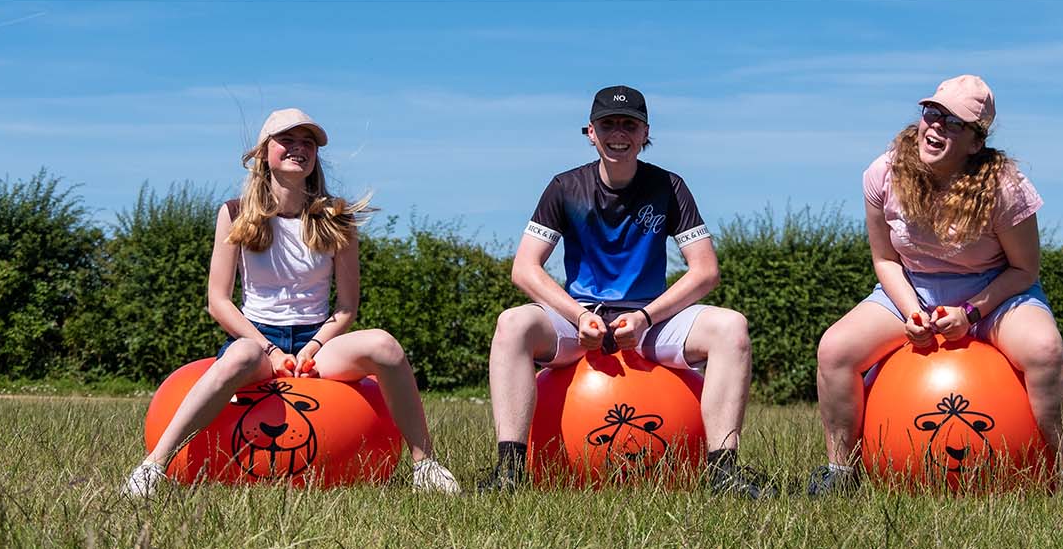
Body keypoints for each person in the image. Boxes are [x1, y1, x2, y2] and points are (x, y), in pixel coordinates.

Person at [122, 108, 459, 497]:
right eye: (288, 141)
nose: (299, 148)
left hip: (318, 343)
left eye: (308, 143)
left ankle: (426, 465)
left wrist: (313, 348)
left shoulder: (336, 217)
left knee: (384, 344)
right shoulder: (234, 213)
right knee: (239, 356)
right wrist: (268, 348)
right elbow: (218, 301)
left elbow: (346, 307)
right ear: (265, 152)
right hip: (257, 339)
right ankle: (153, 467)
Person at [808, 76, 1063, 497]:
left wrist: (971, 313)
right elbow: (884, 260)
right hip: (913, 288)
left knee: (1045, 351)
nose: (935, 128)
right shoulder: (883, 172)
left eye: (953, 123)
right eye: (932, 114)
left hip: (996, 292)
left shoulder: (1006, 188)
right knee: (835, 349)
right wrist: (913, 311)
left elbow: (1024, 270)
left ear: (975, 142)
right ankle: (842, 471)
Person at [477, 86, 773, 498]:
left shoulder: (669, 186)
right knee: (512, 323)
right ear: (591, 133)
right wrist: (578, 316)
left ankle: (723, 472)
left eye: (629, 124)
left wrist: (647, 316)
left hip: (649, 321)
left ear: (645, 132)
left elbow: (705, 271)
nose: (619, 133)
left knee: (731, 327)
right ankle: (510, 472)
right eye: (608, 124)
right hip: (578, 319)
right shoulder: (564, 187)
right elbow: (524, 268)